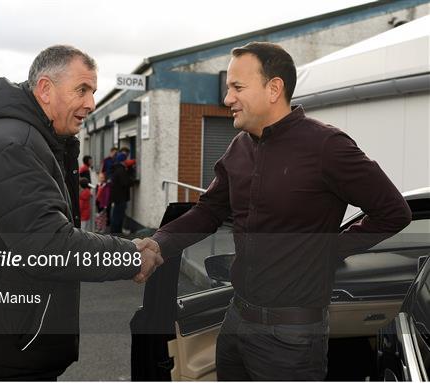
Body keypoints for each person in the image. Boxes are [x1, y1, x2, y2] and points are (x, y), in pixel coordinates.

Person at [135, 42, 411, 381]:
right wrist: (158, 243)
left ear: (273, 88)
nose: (227, 99)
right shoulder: (239, 146)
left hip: (292, 337)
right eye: (228, 89)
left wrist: (328, 249)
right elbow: (209, 211)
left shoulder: (328, 146)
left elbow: (393, 212)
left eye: (237, 87)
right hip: (236, 320)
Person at [0, 45, 163, 381]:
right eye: (82, 90)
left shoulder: (28, 139)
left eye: (93, 91)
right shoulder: (14, 145)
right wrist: (130, 255)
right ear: (45, 89)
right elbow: (47, 245)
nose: (90, 103)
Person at [110, 152, 132, 235]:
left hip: (117, 197)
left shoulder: (116, 168)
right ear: (123, 160)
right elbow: (125, 183)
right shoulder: (121, 170)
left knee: (116, 215)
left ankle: (115, 232)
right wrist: (131, 181)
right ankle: (116, 233)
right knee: (118, 216)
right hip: (121, 197)